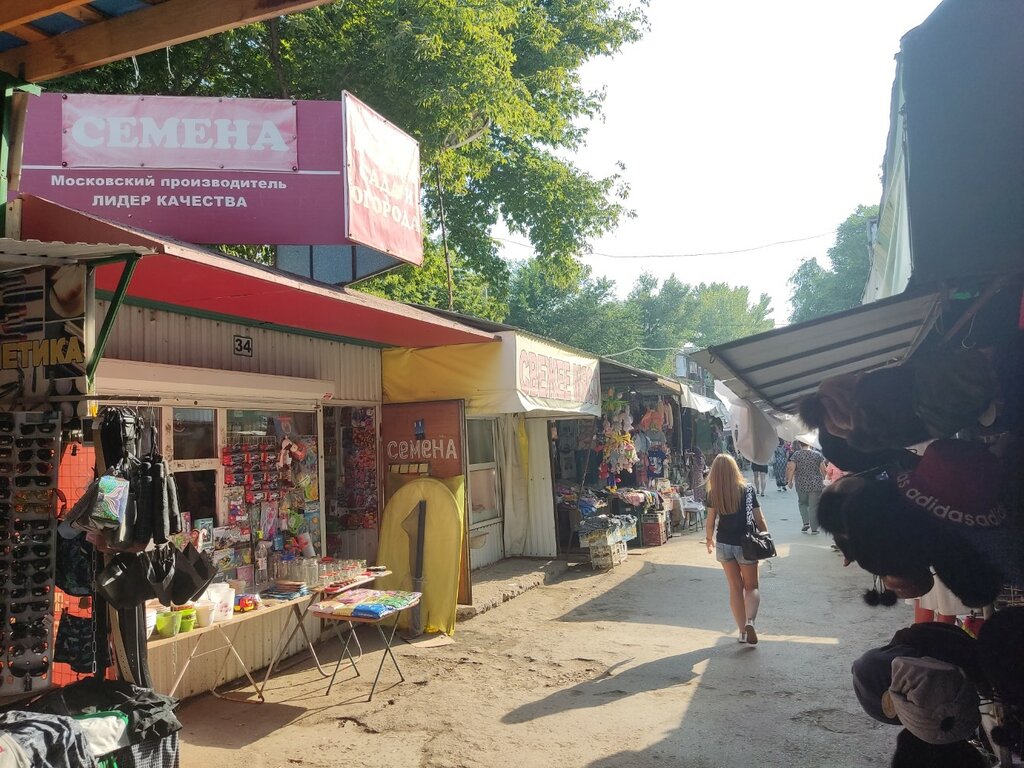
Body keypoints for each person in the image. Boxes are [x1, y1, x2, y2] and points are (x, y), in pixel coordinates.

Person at [704, 453, 769, 645]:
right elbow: (759, 519)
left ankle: (742, 632)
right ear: (735, 469)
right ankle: (750, 621)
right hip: (746, 544)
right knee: (752, 587)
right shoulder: (747, 490)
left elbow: (710, 522)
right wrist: (765, 537)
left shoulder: (713, 493)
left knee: (734, 587)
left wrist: (709, 540)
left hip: (724, 544)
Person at [787, 440, 826, 534]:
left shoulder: (796, 455)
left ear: (800, 444)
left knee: (802, 503)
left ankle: (805, 523)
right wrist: (825, 480)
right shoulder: (817, 454)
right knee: (814, 506)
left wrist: (790, 481)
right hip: (816, 484)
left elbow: (791, 469)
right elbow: (823, 470)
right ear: (810, 443)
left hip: (801, 483)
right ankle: (814, 529)